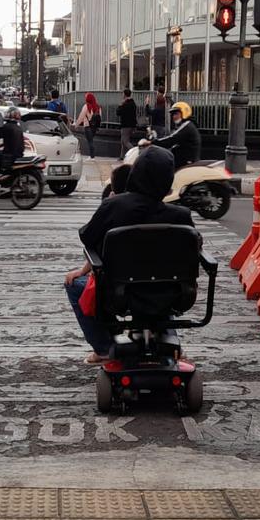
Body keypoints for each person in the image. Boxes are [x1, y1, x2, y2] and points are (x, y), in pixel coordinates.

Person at [62, 146, 194, 364]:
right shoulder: (181, 215)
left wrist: (82, 269)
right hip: (173, 293)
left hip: (118, 294)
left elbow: (89, 240)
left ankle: (105, 348)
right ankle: (170, 342)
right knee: (163, 279)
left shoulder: (114, 206)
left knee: (74, 285)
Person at [151, 101, 201, 169]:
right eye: (173, 115)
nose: (174, 117)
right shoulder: (187, 125)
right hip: (184, 160)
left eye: (176, 114)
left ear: (184, 113)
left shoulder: (187, 125)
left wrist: (152, 142)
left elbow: (172, 139)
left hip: (186, 162)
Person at [73, 92, 102, 159]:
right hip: (94, 127)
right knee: (91, 141)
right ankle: (91, 156)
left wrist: (76, 125)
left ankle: (92, 157)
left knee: (90, 141)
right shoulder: (98, 107)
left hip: (87, 126)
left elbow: (81, 116)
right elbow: (100, 117)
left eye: (86, 97)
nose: (85, 98)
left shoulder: (86, 106)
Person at [116, 88, 138, 159]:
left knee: (125, 142)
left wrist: (120, 105)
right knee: (123, 141)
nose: (122, 95)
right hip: (131, 125)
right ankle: (122, 156)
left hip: (125, 125)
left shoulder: (125, 104)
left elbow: (118, 113)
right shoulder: (133, 104)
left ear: (125, 94)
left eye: (123, 93)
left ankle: (136, 153)